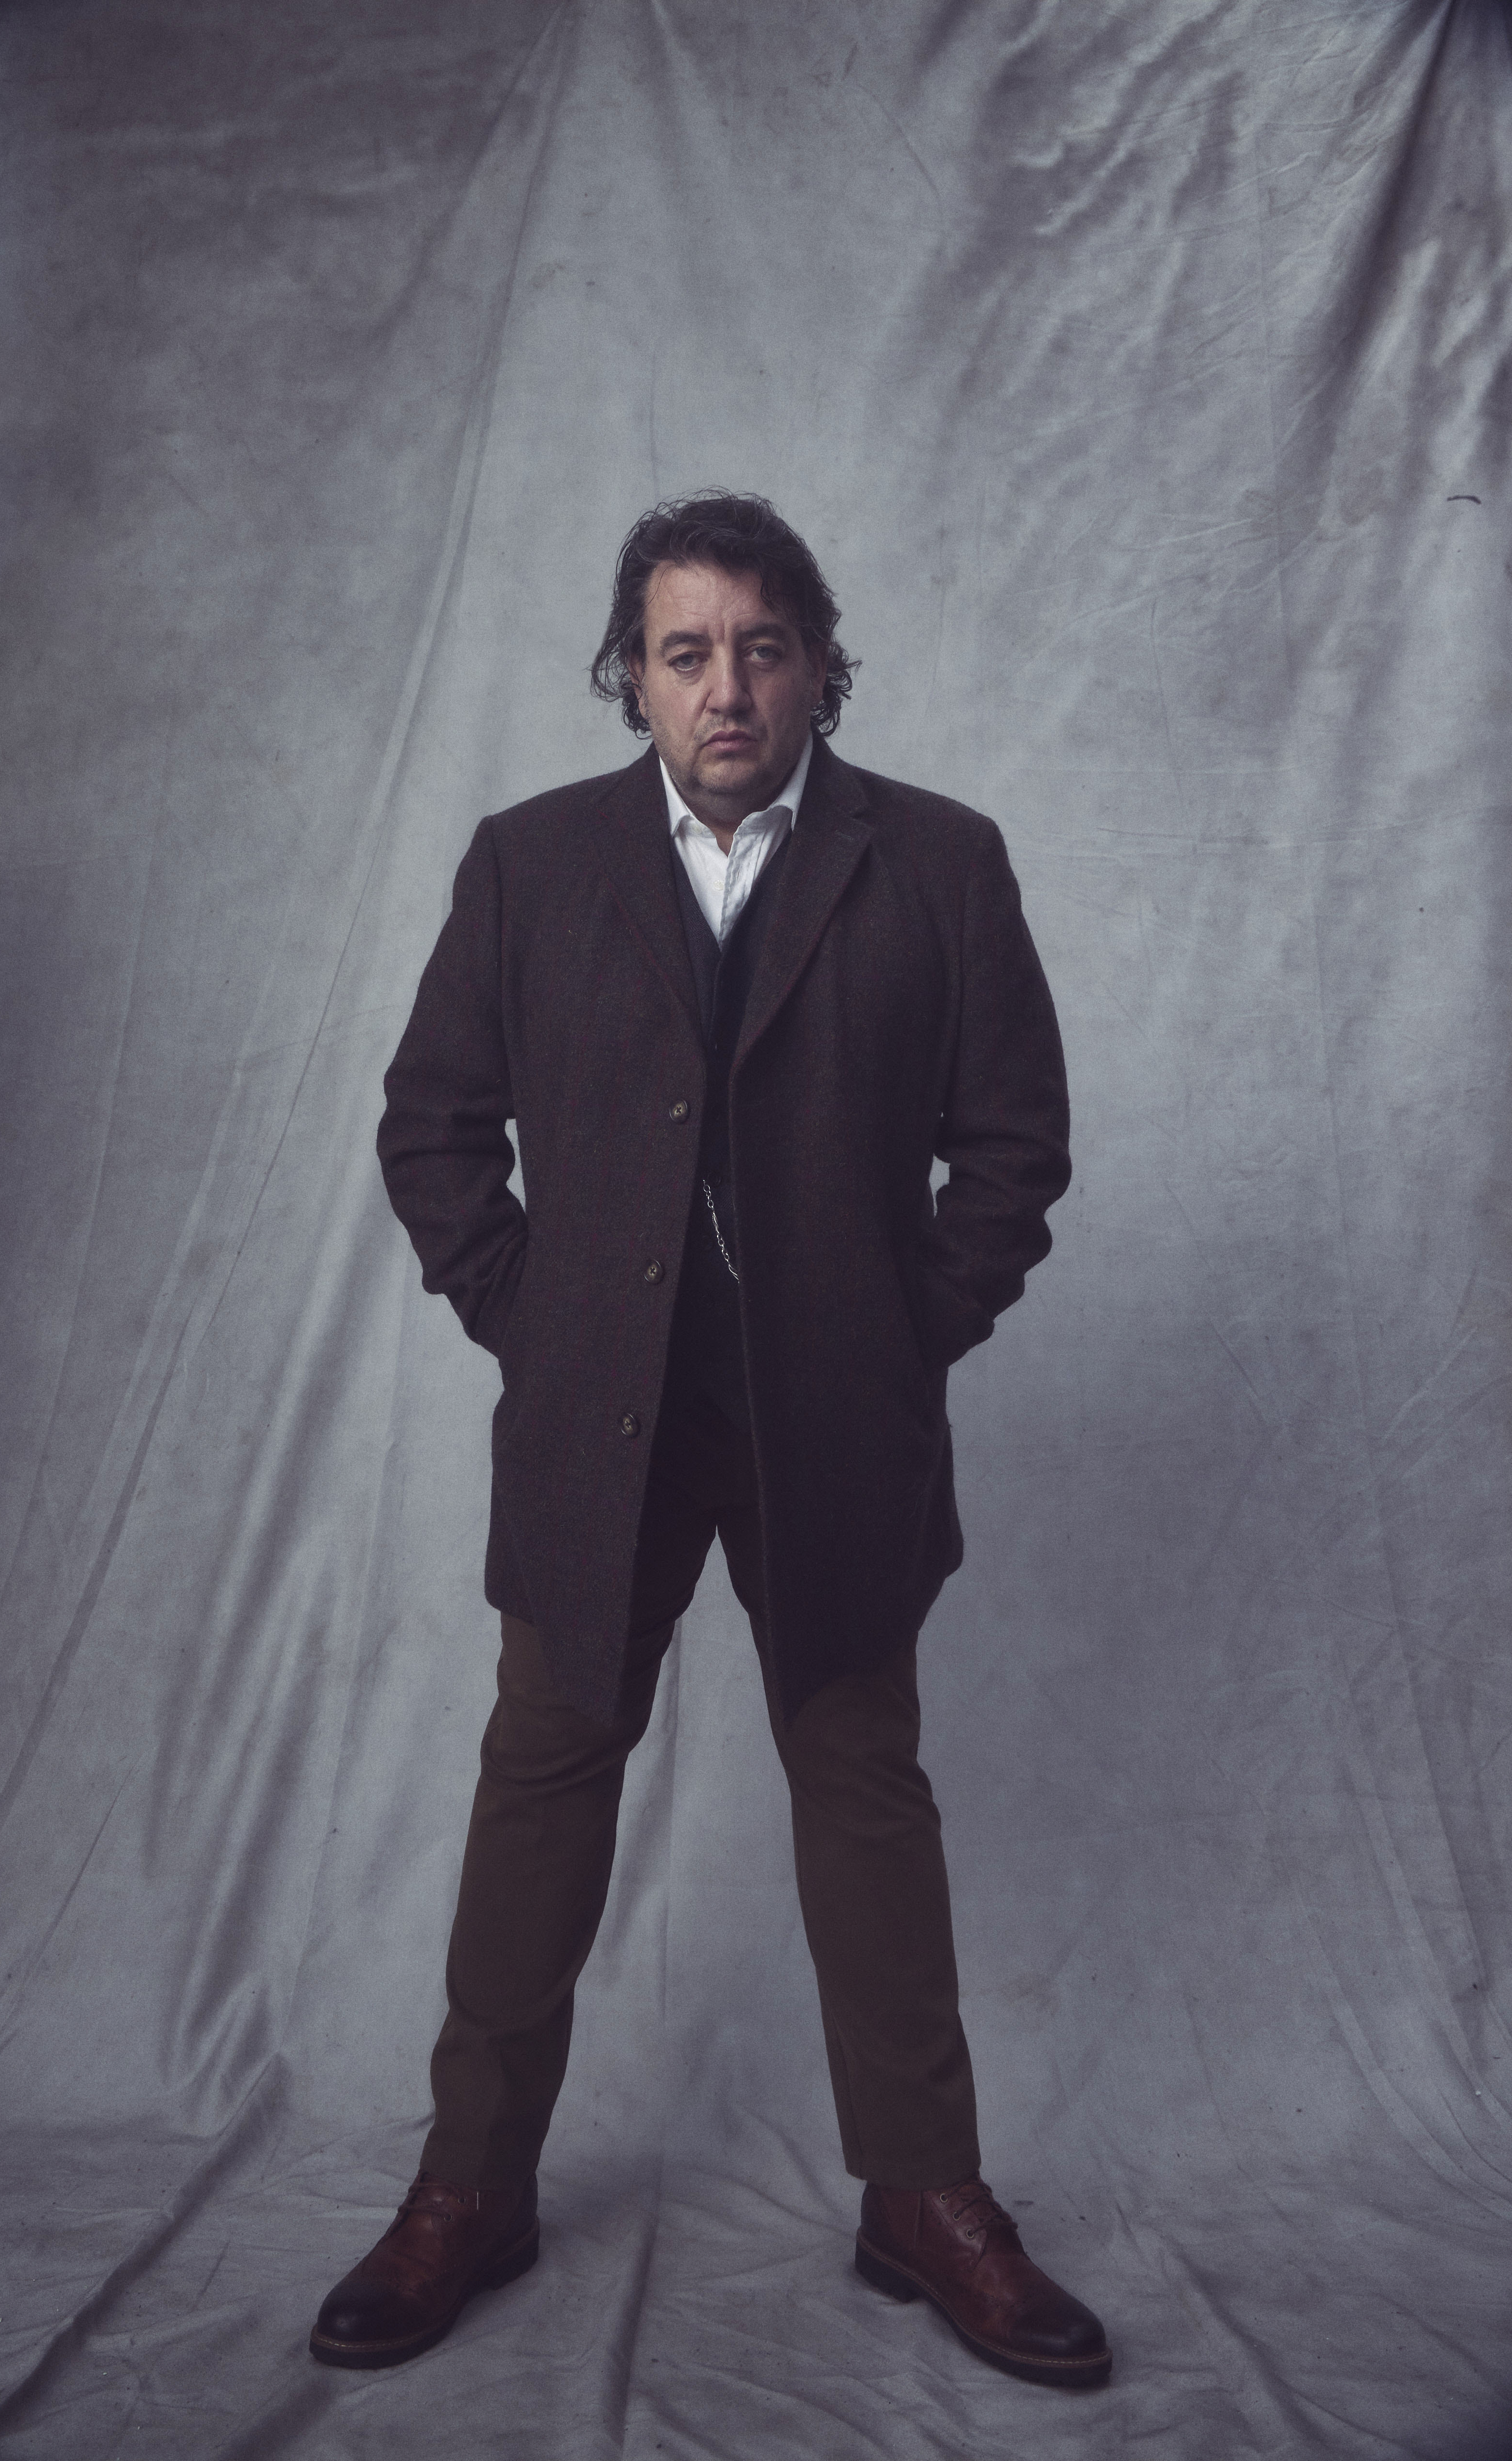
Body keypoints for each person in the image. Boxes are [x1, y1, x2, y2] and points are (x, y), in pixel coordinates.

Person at [309, 492, 1110, 2391]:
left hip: (833, 1435)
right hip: (600, 1430)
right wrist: (531, 1313)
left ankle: (921, 2194)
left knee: (863, 1790)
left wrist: (900, 1339)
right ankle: (467, 2186)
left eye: (760, 646)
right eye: (685, 652)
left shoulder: (938, 862)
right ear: (634, 678)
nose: (725, 686)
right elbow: (433, 1123)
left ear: (817, 664)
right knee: (539, 1783)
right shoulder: (530, 864)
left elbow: (1013, 1144)